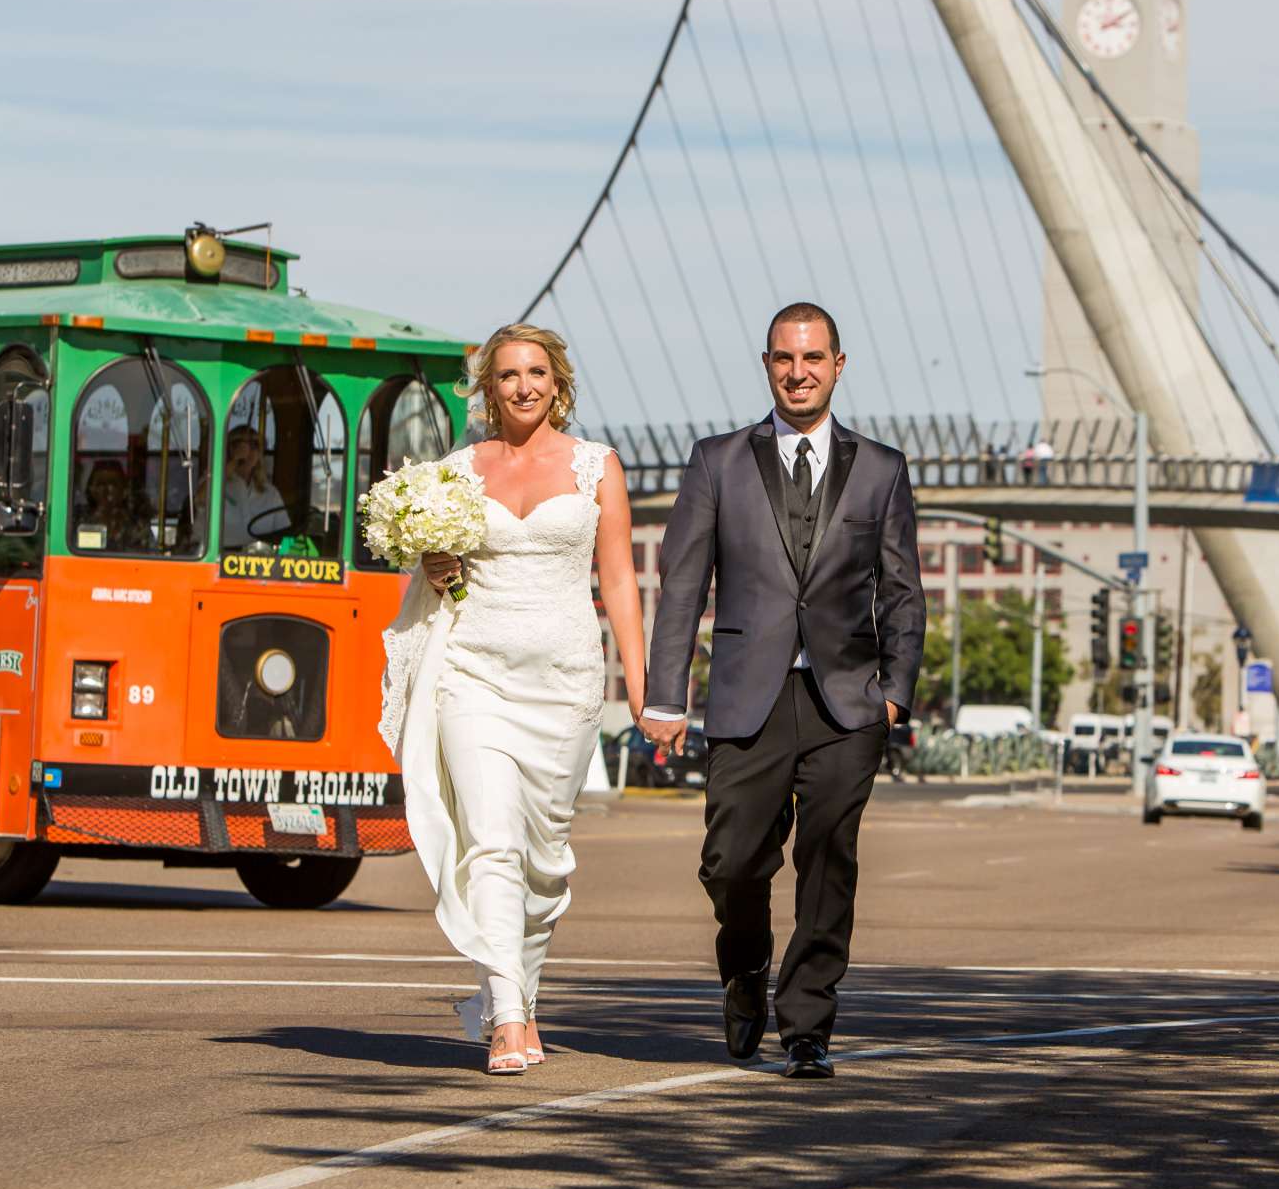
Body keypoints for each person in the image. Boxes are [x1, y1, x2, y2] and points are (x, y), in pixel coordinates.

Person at [642, 301, 926, 1079]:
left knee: (829, 862)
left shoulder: (882, 469)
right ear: (767, 366)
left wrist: (894, 690)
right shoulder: (716, 462)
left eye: (811, 358)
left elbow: (903, 590)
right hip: (745, 696)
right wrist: (666, 695)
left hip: (846, 703)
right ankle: (744, 969)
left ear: (839, 365)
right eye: (782, 359)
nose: (797, 373)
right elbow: (681, 588)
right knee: (731, 862)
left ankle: (807, 1028)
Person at [378, 324, 645, 1077]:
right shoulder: (458, 472)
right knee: (490, 840)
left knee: (542, 863)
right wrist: (434, 565)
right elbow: (446, 578)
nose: (522, 386)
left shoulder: (598, 467)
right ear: (488, 390)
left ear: (557, 382)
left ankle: (518, 989)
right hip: (476, 673)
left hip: (563, 681)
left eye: (535, 373)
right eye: (506, 375)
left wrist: (642, 682)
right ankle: (507, 1015)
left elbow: (619, 578)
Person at [220, 425, 287, 550]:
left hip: (262, 564)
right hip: (221, 561)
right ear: (229, 449)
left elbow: (287, 536)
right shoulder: (214, 484)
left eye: (254, 445)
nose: (248, 450)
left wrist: (283, 559)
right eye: (240, 445)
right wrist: (234, 461)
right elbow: (201, 499)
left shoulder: (271, 493)